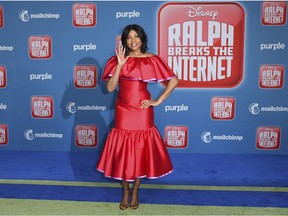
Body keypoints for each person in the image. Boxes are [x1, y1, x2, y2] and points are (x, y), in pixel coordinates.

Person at [96, 24, 179, 210]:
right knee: (123, 150)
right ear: (124, 41)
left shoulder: (151, 59)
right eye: (128, 37)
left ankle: (136, 190)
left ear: (142, 39)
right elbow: (110, 88)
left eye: (136, 36)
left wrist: (157, 101)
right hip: (123, 111)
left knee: (140, 151)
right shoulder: (117, 60)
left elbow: (174, 81)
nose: (133, 40)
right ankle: (125, 190)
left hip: (142, 112)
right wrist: (119, 65)